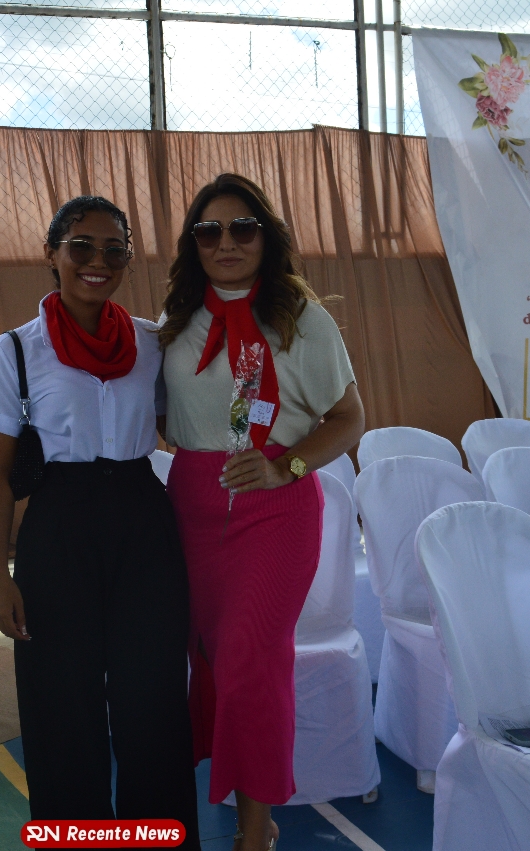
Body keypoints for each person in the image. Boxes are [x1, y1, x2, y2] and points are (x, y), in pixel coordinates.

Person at [0, 196, 201, 847]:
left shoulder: (153, 343)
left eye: (114, 250)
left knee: (153, 703)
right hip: (59, 530)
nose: (96, 261)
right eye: (81, 246)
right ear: (52, 254)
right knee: (60, 708)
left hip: (143, 524)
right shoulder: (16, 350)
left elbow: (187, 428)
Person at [159, 174, 365, 851]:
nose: (226, 242)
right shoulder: (177, 321)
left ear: (265, 237)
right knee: (214, 662)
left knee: (251, 659)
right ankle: (247, 808)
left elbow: (350, 418)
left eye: (242, 228)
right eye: (209, 231)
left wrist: (287, 466)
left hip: (276, 510)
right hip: (194, 508)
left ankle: (254, 834)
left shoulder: (302, 318)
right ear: (193, 244)